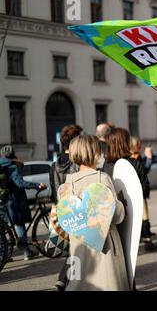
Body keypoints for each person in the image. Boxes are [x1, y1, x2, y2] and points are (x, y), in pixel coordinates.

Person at [62, 135, 129, 291]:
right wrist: (120, 204)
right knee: (108, 282)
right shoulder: (101, 179)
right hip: (105, 246)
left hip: (79, 246)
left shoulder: (67, 184)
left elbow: (66, 220)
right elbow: (118, 216)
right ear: (94, 153)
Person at [103, 128, 157, 252]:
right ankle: (147, 239)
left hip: (112, 212)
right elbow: (144, 188)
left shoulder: (104, 166)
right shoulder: (133, 163)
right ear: (124, 143)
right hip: (132, 210)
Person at [49, 124, 83, 291]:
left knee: (74, 247)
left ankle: (66, 280)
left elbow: (54, 193)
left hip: (62, 209)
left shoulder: (54, 165)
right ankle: (65, 280)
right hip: (77, 209)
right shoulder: (77, 163)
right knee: (77, 247)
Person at [0, 145, 46, 260]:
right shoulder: (13, 166)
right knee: (19, 224)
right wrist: (36, 185)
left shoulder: (0, 166)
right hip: (14, 201)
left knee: (3, 228)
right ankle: (26, 252)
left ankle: (3, 254)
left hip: (3, 201)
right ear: (13, 154)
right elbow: (20, 183)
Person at [130, 136, 157, 248]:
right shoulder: (136, 157)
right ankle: (147, 240)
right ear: (134, 145)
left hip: (134, 190)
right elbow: (145, 170)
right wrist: (149, 158)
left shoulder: (128, 157)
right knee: (144, 215)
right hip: (140, 190)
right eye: (139, 143)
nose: (140, 145)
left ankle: (144, 236)